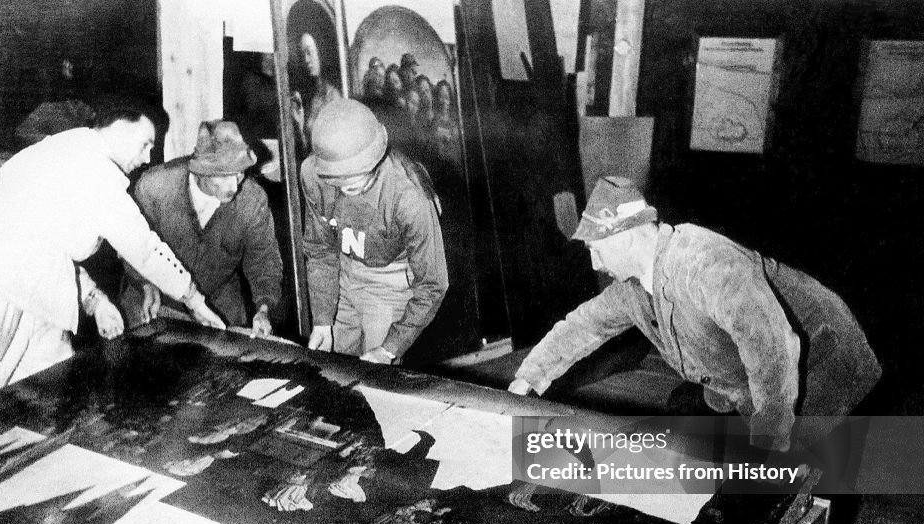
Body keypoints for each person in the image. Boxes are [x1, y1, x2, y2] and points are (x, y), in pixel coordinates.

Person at [509, 176, 881, 456]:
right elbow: (582, 325)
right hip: (746, 379)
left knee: (794, 493)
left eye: (596, 249)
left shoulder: (704, 263)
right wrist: (527, 380)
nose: (595, 263)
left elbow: (772, 346)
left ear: (628, 235)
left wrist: (770, 442)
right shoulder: (634, 288)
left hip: (819, 366)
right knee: (684, 417)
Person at [0, 97, 225, 419]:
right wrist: (193, 298)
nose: (148, 157)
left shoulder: (73, 150)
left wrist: (95, 300)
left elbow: (50, 244)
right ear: (119, 127)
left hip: (29, 289)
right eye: (145, 144)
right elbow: (143, 247)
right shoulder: (93, 168)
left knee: (52, 380)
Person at [303, 99, 448, 364]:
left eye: (355, 177)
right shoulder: (313, 175)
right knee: (332, 371)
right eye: (337, 178)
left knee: (376, 381)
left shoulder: (410, 197)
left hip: (389, 281)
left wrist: (390, 348)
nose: (345, 186)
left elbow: (432, 284)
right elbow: (320, 250)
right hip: (344, 272)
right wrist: (322, 319)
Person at [120, 120, 282, 335]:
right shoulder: (155, 187)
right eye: (225, 176)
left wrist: (263, 310)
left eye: (240, 173)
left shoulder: (252, 200)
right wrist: (142, 283)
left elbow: (264, 262)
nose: (234, 186)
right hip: (155, 300)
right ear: (200, 172)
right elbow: (129, 245)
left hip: (218, 305)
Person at [291, 32, 342, 156]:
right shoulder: (303, 95)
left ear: (320, 52)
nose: (306, 60)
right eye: (302, 54)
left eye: (309, 52)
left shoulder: (332, 95)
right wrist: (299, 125)